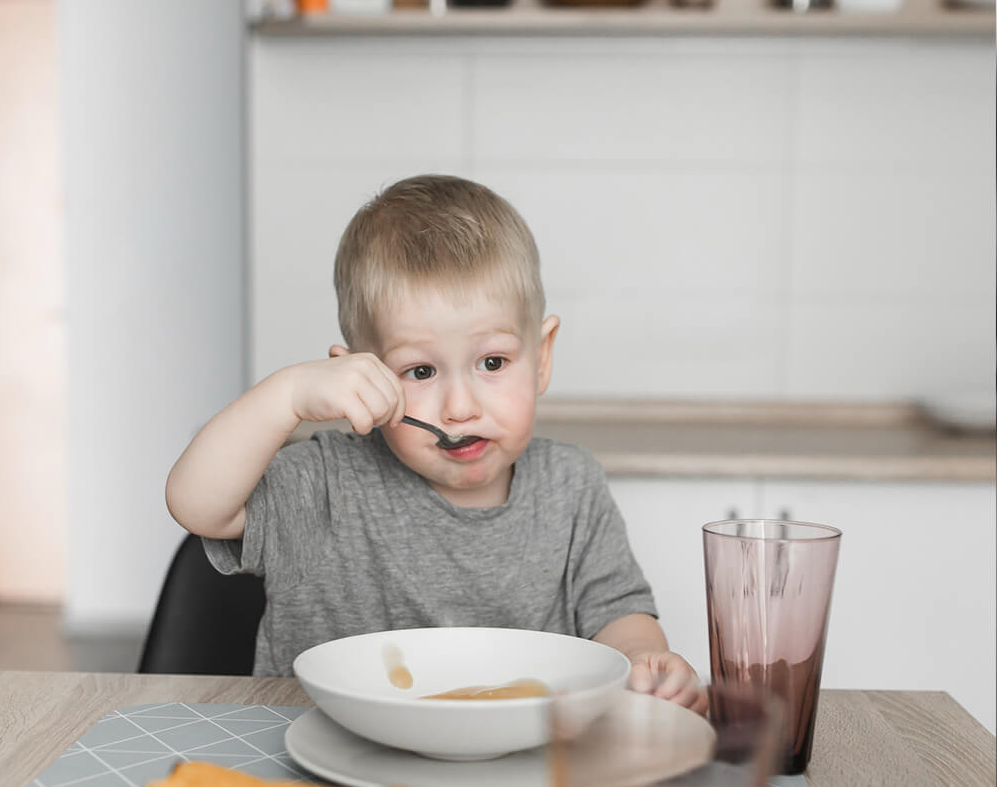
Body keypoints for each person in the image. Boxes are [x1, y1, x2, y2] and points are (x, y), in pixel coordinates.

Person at [166, 175, 705, 712]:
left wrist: (642, 662)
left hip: (516, 770)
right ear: (358, 376)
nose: (460, 407)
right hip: (323, 771)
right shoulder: (323, 483)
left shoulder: (572, 486)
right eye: (420, 371)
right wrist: (285, 397)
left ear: (541, 357)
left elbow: (618, 614)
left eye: (492, 363)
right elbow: (197, 506)